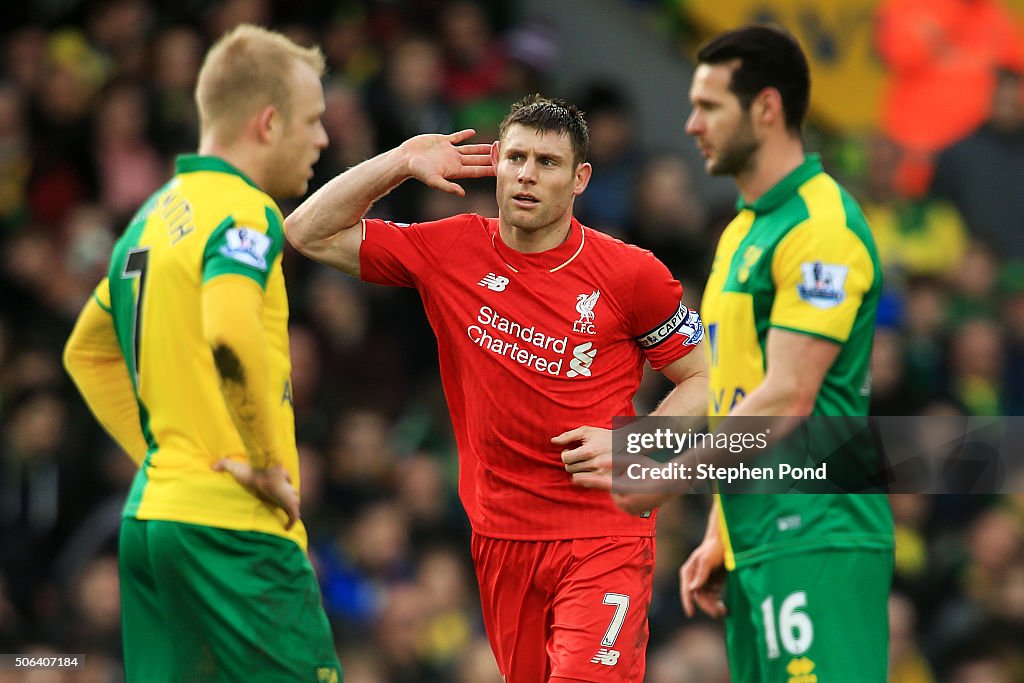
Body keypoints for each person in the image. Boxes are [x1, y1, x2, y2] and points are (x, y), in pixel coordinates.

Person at [285, 94, 708, 682]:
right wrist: (401, 162)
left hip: (602, 534)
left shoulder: (632, 274)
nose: (527, 175)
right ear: (497, 165)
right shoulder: (450, 249)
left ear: (580, 177)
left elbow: (706, 377)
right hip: (501, 536)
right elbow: (305, 230)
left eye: (548, 162)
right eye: (516, 158)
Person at [565, 25, 894, 683]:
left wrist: (665, 472)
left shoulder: (819, 227)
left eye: (709, 105)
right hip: (758, 535)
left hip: (820, 532)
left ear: (767, 108)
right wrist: (723, 522)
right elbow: (736, 391)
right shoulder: (744, 229)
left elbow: (790, 395)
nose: (690, 124)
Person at [62, 24, 341, 682]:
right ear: (268, 124)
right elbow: (231, 331)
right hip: (233, 527)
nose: (323, 139)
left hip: (154, 519)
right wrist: (268, 464)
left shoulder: (150, 218)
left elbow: (86, 351)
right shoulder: (244, 212)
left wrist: (170, 458)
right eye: (313, 121)